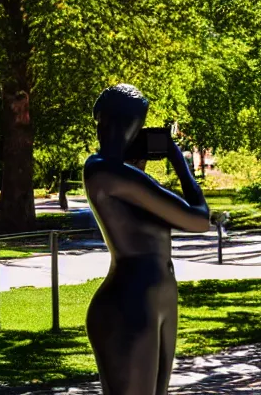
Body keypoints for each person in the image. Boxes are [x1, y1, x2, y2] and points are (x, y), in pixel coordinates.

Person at [83, 84, 210, 395]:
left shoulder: (128, 174)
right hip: (129, 304)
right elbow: (198, 219)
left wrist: (137, 160)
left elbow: (163, 218)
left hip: (159, 299)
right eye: (134, 122)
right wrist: (178, 160)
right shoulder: (102, 170)